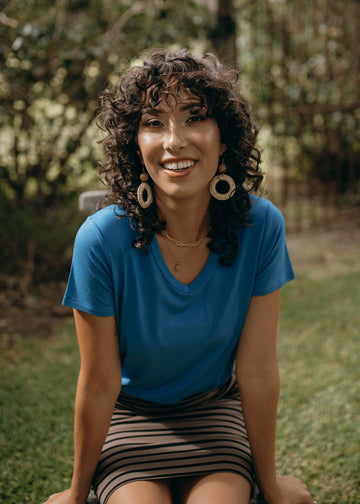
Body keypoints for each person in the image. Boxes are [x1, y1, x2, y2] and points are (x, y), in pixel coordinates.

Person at [43, 49, 315, 504]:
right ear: (134, 141)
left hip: (213, 416)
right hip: (131, 421)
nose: (174, 141)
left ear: (223, 137)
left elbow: (258, 368)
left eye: (194, 118)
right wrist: (74, 494)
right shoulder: (100, 239)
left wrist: (271, 488)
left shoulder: (261, 226)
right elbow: (98, 382)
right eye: (154, 122)